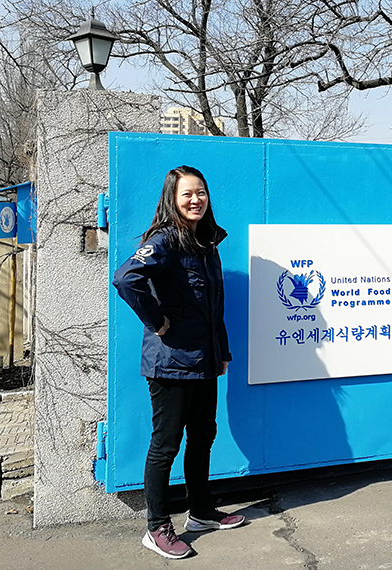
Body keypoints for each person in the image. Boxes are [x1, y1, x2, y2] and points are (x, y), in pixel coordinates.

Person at [113, 165, 245, 559]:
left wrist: (221, 352)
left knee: (203, 436)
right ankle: (156, 527)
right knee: (166, 443)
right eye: (187, 193)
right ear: (172, 198)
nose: (195, 200)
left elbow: (213, 308)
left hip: (204, 360)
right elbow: (126, 279)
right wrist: (157, 320)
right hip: (170, 362)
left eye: (201, 192)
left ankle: (201, 511)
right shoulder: (165, 240)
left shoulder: (206, 244)